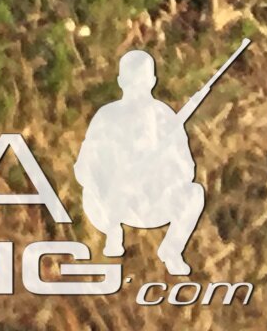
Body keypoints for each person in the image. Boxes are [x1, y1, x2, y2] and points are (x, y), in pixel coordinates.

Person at [77, 50, 208, 275]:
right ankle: (113, 232)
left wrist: (165, 160)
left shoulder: (165, 118)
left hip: (153, 201)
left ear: (153, 81)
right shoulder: (107, 117)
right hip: (113, 204)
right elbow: (84, 166)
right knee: (94, 194)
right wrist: (111, 179)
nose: (138, 89)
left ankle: (172, 250)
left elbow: (187, 169)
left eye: (143, 82)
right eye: (132, 82)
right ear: (121, 82)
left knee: (194, 194)